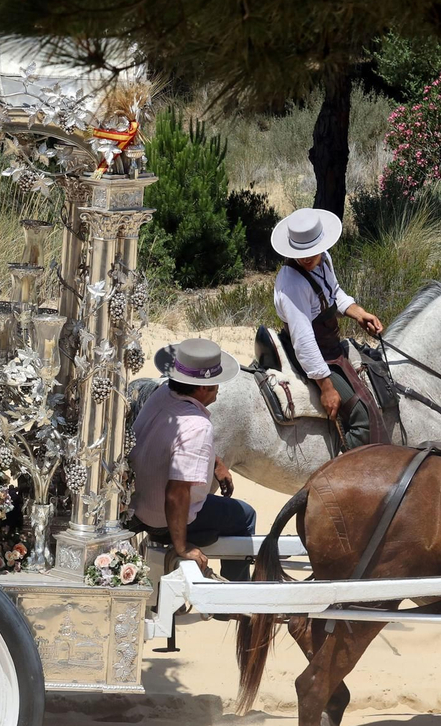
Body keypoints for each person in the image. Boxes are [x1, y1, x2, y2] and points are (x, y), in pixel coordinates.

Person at [129, 339, 256, 583]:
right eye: (214, 383)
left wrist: (215, 462)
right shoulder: (197, 426)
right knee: (246, 516)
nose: (219, 388)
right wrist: (182, 547)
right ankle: (236, 597)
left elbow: (172, 445)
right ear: (201, 389)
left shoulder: (162, 393)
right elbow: (177, 494)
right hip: (161, 519)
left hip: (138, 503)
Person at [271, 207, 386, 449]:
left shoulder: (323, 259)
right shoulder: (292, 283)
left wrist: (359, 314)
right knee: (362, 417)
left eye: (312, 251)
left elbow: (334, 293)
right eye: (301, 253)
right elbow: (303, 340)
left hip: (330, 346)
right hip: (315, 355)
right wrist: (326, 386)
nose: (306, 258)